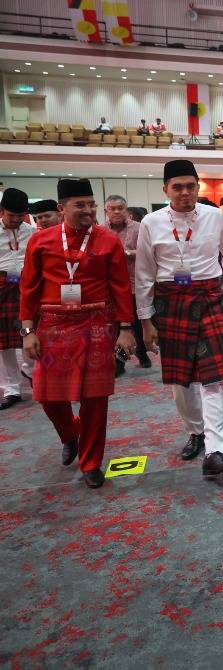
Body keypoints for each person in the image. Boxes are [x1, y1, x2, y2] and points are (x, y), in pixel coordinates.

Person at [19, 179, 134, 488]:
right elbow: (29, 288)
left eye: (91, 204)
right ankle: (70, 434)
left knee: (95, 399)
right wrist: (28, 330)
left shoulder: (108, 241)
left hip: (97, 324)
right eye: (80, 205)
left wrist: (125, 328)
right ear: (62, 208)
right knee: (46, 395)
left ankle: (91, 462)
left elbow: (121, 287)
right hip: (53, 326)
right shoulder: (41, 242)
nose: (88, 210)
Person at [135, 159, 223, 477]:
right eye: (178, 187)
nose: (185, 193)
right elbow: (143, 274)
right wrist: (145, 320)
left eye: (191, 186)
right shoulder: (151, 223)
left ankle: (216, 450)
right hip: (170, 304)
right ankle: (197, 431)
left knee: (216, 378)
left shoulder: (213, 216)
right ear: (165, 189)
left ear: (199, 187)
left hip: (210, 300)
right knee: (181, 382)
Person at [102, 194, 151, 376]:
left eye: (120, 208)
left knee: (136, 324)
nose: (116, 212)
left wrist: (129, 253)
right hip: (110, 287)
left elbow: (148, 251)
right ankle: (120, 362)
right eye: (112, 209)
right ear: (106, 211)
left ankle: (141, 353)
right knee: (117, 327)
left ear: (126, 210)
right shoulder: (100, 231)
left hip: (134, 284)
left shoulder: (140, 228)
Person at [1, 188, 34, 409]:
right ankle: (11, 388)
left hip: (27, 285)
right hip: (1, 286)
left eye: (19, 216)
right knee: (3, 344)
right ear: (1, 211)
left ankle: (32, 372)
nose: (15, 220)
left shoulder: (31, 231)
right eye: (11, 215)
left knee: (30, 334)